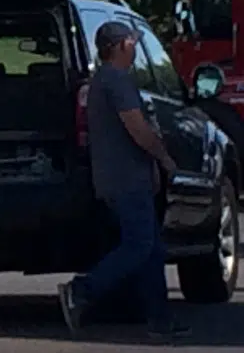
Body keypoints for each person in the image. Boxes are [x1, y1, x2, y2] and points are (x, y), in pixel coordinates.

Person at [57, 21, 191, 340]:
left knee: (152, 249)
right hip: (125, 180)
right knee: (139, 245)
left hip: (126, 178)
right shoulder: (115, 81)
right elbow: (138, 130)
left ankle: (159, 320)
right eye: (131, 42)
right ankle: (82, 289)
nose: (134, 48)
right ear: (119, 46)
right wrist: (163, 158)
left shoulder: (106, 81)